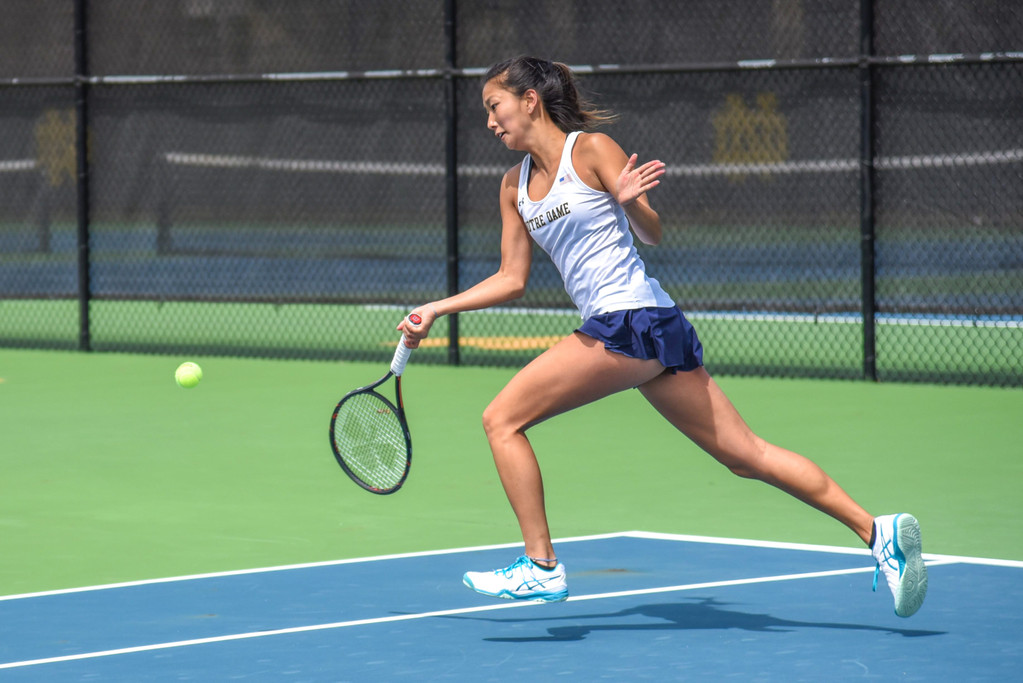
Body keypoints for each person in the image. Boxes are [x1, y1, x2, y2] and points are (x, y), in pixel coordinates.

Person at [397, 55, 928, 617]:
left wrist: (630, 206)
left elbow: (652, 232)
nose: (489, 121)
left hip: (631, 321)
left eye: (494, 106)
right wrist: (437, 307)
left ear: (529, 100)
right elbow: (511, 279)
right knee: (746, 456)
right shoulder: (513, 186)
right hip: (646, 328)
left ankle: (541, 566)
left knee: (501, 419)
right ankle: (879, 533)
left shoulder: (591, 150)